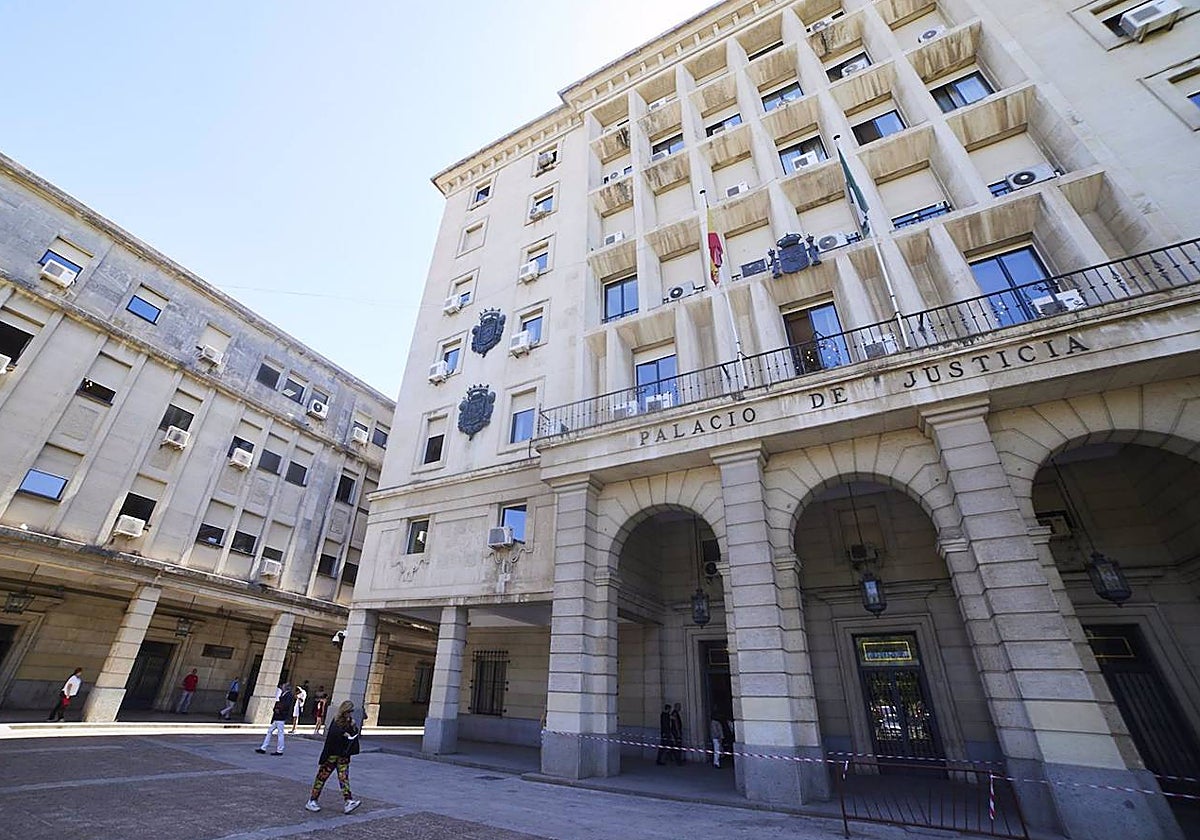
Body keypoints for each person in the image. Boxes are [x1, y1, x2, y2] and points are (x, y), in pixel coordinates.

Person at [304, 700, 362, 814]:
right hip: (332, 755)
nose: (350, 714)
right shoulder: (336, 721)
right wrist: (343, 734)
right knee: (321, 778)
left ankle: (348, 801)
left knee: (343, 778)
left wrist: (353, 728)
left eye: (351, 711)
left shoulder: (350, 721)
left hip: (343, 756)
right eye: (349, 711)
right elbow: (332, 738)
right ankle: (312, 800)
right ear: (344, 711)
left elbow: (353, 735)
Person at [256, 682, 293, 755]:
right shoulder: (284, 694)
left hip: (281, 716)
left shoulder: (288, 695)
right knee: (270, 731)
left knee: (280, 733)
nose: (282, 687)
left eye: (284, 686)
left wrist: (279, 709)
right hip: (278, 716)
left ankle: (280, 750)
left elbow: (286, 705)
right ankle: (263, 748)